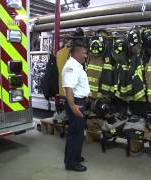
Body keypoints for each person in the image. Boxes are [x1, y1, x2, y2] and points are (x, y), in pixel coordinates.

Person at [62, 40, 90, 172]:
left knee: (77, 132)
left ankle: (75, 156)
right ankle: (71, 163)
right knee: (76, 134)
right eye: (84, 53)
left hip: (79, 102)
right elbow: (68, 89)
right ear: (77, 53)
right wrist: (73, 106)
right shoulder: (71, 67)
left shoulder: (77, 66)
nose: (86, 56)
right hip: (76, 103)